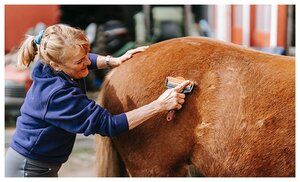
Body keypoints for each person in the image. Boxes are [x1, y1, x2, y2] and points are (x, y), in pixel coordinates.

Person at [5, 24, 190, 177]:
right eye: (79, 62)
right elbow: (108, 124)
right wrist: (159, 105)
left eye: (86, 55)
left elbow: (84, 57)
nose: (86, 62)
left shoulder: (50, 63)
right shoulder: (57, 96)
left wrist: (112, 60)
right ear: (56, 65)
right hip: (28, 170)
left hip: (40, 164)